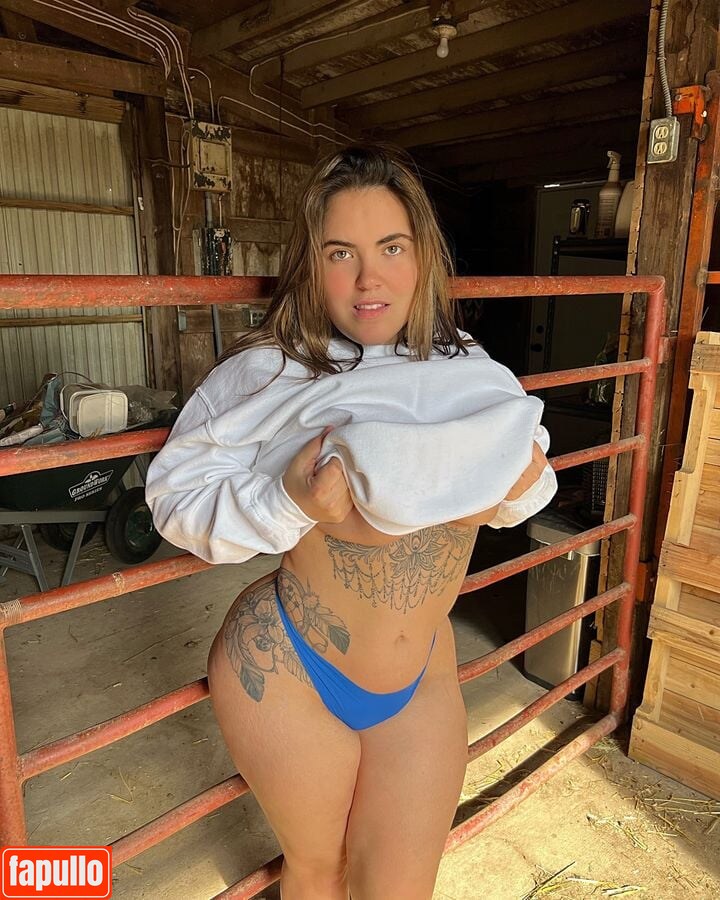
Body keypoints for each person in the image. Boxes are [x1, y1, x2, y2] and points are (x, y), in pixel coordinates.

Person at [145, 144, 557, 900]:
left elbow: (529, 477)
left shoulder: (473, 372)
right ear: (313, 265)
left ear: (422, 255)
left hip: (420, 674)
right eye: (342, 252)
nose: (369, 277)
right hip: (290, 666)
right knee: (317, 872)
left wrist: (509, 489)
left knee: (400, 888)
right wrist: (290, 504)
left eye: (390, 247)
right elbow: (174, 498)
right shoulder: (271, 371)